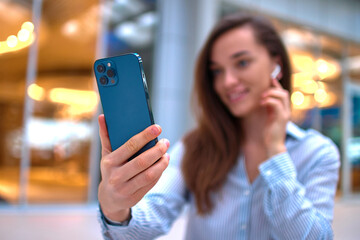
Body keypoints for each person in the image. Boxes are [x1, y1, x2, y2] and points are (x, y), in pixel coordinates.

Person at [97, 12, 340, 240]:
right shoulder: (196, 147)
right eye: (217, 71)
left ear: (276, 65)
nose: (227, 82)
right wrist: (115, 208)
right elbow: (151, 216)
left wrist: (276, 151)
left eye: (242, 63)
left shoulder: (317, 153)